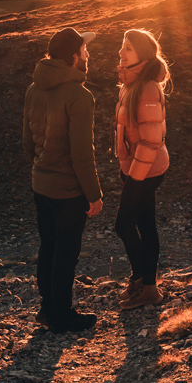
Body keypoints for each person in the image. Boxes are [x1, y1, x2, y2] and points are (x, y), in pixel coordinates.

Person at [23, 26, 102, 332]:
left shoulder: (33, 89)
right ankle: (63, 314)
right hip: (68, 191)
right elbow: (81, 154)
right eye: (84, 50)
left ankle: (47, 309)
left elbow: (27, 144)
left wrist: (44, 165)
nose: (88, 54)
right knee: (66, 251)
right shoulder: (79, 96)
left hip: (40, 184)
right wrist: (94, 195)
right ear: (73, 57)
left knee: (48, 246)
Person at [113, 27, 173, 310]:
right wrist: (125, 165)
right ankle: (149, 288)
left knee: (123, 224)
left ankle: (140, 279)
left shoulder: (147, 87)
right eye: (122, 47)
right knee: (145, 225)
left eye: (127, 49)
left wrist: (133, 180)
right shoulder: (130, 84)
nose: (121, 53)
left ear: (142, 56)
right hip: (138, 169)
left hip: (147, 171)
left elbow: (150, 142)